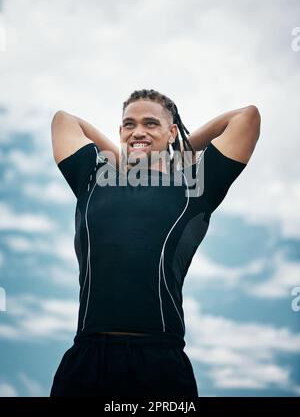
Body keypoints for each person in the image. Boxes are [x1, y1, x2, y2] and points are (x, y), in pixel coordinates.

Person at [49, 89, 260, 397]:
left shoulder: (193, 187)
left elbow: (247, 117)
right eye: (129, 124)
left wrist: (181, 148)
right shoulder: (92, 179)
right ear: (120, 131)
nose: (138, 131)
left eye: (151, 123)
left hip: (160, 363)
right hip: (86, 360)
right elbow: (63, 121)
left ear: (171, 131)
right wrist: (123, 157)